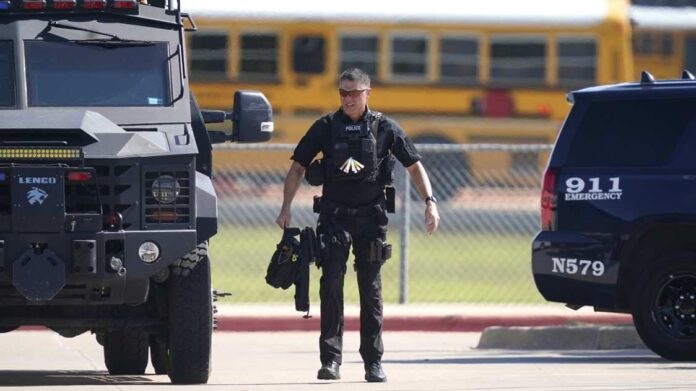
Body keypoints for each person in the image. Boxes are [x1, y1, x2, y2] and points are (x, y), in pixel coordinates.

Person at [275, 68, 440, 383]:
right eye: (343, 93)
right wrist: (286, 207)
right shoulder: (325, 127)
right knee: (331, 286)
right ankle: (331, 360)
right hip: (335, 217)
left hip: (371, 218)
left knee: (371, 290)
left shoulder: (384, 127)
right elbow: (297, 167)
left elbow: (414, 165)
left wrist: (430, 202)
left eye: (354, 93)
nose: (348, 99)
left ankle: (373, 363)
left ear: (368, 93)